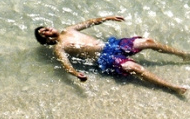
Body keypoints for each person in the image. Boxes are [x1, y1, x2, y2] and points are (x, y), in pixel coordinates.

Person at [34, 15, 190, 94]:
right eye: (43, 34)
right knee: (134, 67)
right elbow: (65, 64)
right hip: (105, 58)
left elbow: (89, 22)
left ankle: (182, 55)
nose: (47, 32)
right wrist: (76, 74)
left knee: (148, 42)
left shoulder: (69, 30)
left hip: (111, 45)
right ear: (45, 40)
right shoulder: (59, 47)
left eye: (46, 28)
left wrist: (108, 18)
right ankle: (173, 87)